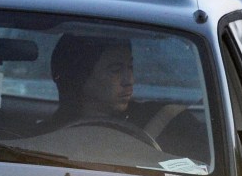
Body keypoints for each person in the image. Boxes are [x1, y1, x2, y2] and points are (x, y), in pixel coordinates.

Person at [45, 34, 207, 160]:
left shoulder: (171, 121)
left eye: (130, 67)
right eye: (115, 70)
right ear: (80, 76)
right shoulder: (45, 135)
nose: (129, 80)